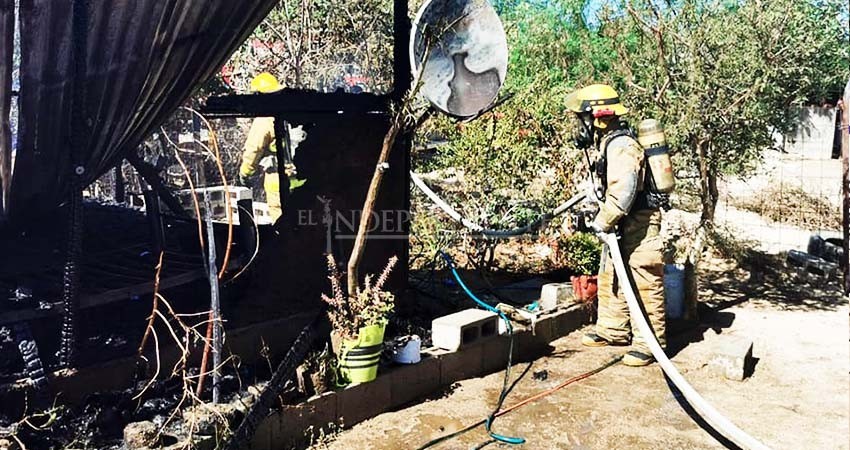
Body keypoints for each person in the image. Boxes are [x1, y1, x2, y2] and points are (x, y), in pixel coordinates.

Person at [565, 84, 666, 367]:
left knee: (643, 279)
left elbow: (623, 191)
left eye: (582, 118)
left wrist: (602, 220)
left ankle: (649, 343)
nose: (580, 125)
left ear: (599, 116)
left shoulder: (622, 145)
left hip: (640, 224)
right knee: (611, 275)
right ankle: (613, 330)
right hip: (622, 223)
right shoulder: (608, 142)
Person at [239, 72, 286, 222]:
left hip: (277, 180)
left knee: (281, 222)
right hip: (300, 176)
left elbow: (254, 149)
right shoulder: (290, 113)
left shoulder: (264, 119)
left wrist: (245, 174)